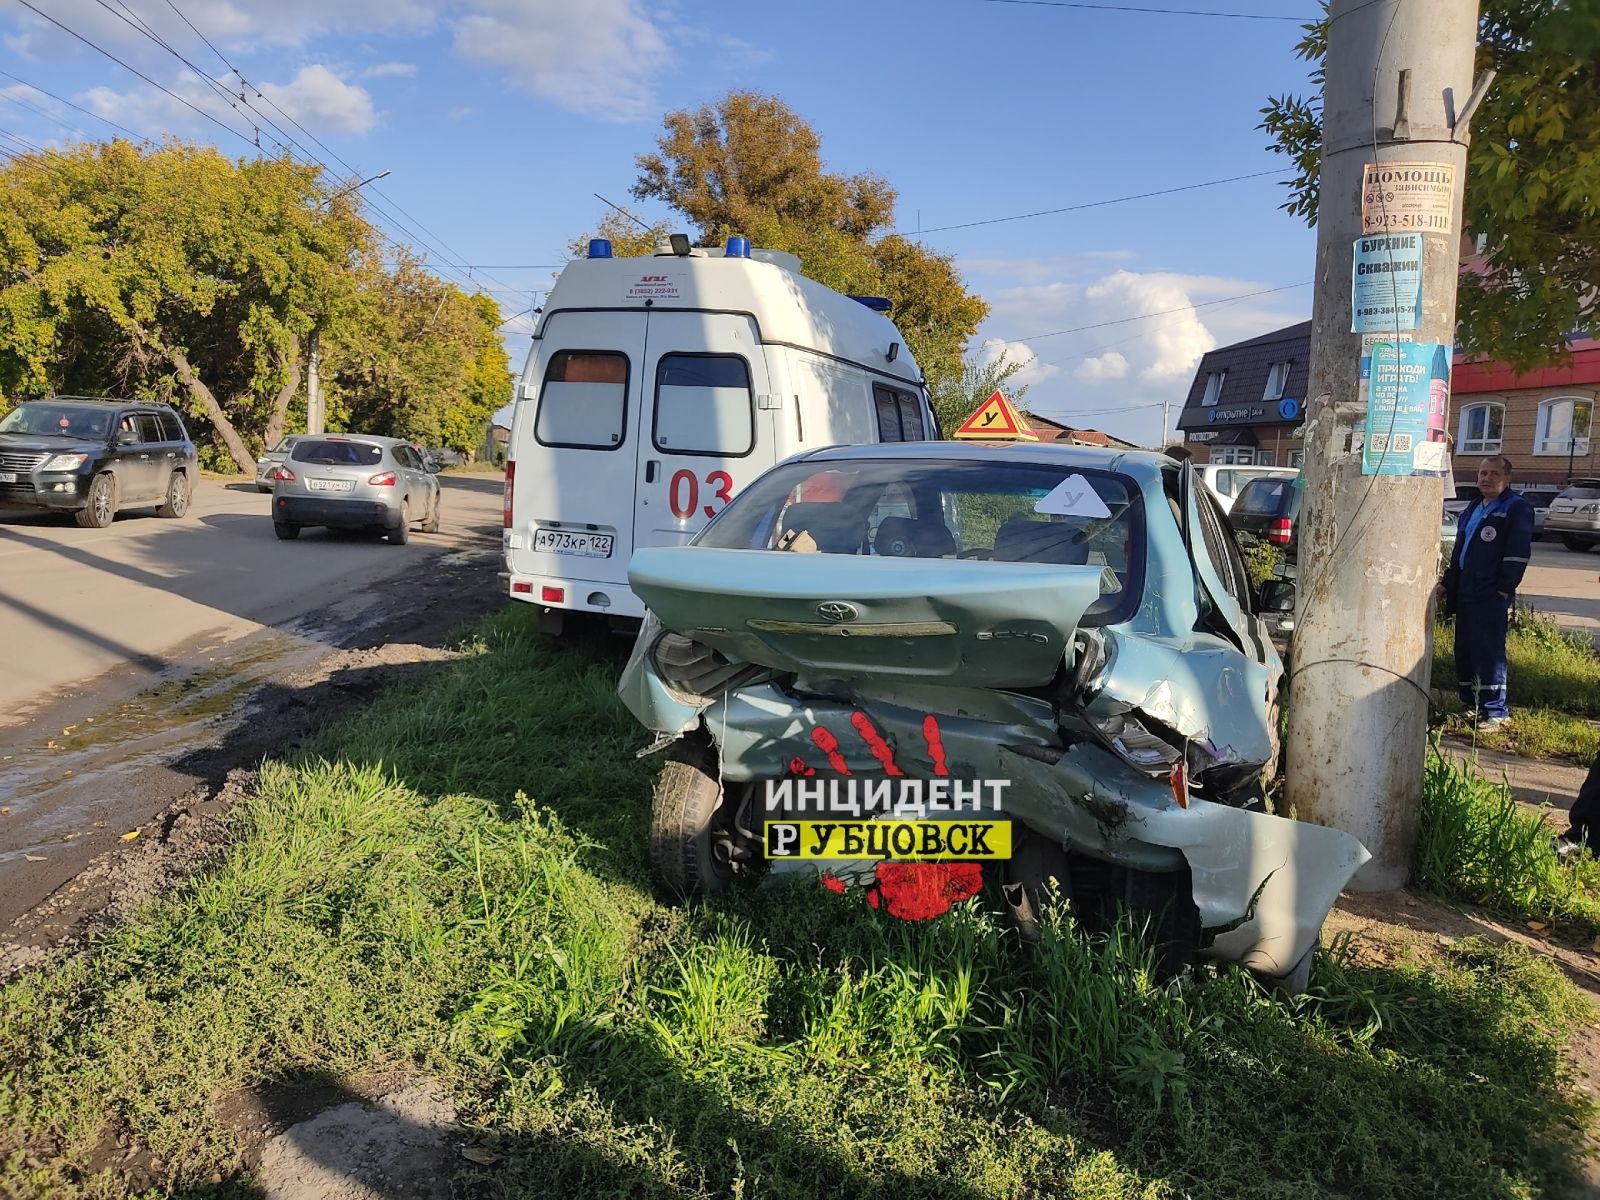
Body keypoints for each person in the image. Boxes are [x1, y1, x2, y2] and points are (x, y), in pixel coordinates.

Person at [1439, 455, 1535, 730]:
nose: (1486, 478)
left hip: (1491, 591)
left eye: (1493, 473)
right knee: (1466, 647)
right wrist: (1449, 583)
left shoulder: (1516, 508)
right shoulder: (1473, 508)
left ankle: (1496, 711)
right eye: (1482, 473)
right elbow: (1460, 550)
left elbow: (1517, 554)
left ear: (1507, 478)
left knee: (1488, 650)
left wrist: (1504, 589)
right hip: (1467, 587)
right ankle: (1473, 703)